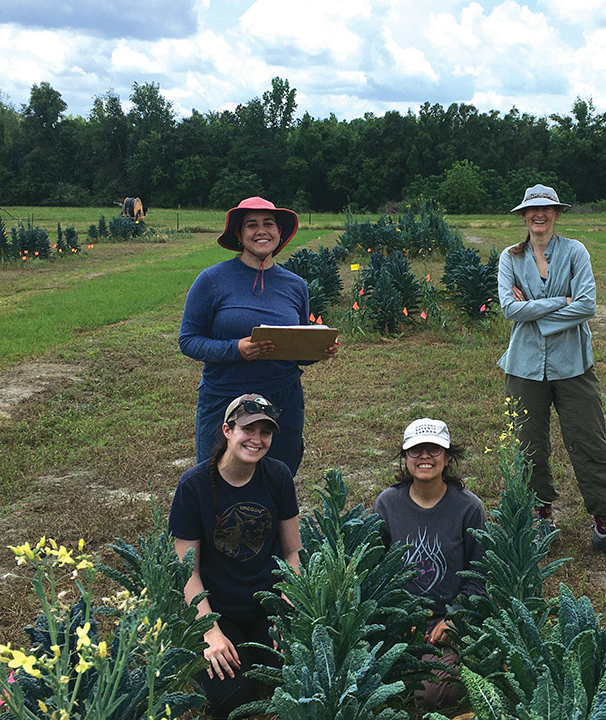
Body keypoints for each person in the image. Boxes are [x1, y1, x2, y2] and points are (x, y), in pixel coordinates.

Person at [497, 183, 606, 558]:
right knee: (528, 445)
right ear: (523, 215)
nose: (539, 215)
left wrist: (537, 308)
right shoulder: (510, 257)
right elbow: (508, 308)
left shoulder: (575, 251)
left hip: (573, 365)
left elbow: (587, 306)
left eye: (546, 209)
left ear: (557, 214)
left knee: (589, 442)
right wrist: (559, 301)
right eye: (532, 210)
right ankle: (541, 520)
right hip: (524, 367)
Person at [179, 196, 339, 472]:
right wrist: (236, 349)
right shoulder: (212, 280)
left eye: (269, 224)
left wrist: (318, 351)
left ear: (279, 233)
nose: (261, 231)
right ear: (240, 235)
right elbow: (189, 340)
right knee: (217, 478)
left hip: (282, 399)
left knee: (277, 478)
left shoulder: (295, 285)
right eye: (251, 225)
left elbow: (295, 349)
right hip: (225, 398)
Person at [169, 393, 302, 719]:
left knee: (295, 675)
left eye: (265, 432)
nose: (256, 439)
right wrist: (211, 632)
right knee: (231, 698)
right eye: (248, 429)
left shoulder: (278, 476)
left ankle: (254, 649)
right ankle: (209, 648)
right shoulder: (193, 486)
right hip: (217, 610)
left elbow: (293, 552)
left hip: (266, 605)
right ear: (227, 430)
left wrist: (288, 609)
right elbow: (188, 572)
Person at [373, 418, 485, 711]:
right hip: (401, 623)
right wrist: (397, 620)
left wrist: (456, 618)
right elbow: (374, 573)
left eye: (434, 450)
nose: (425, 456)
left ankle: (461, 666)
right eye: (416, 450)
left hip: (444, 624)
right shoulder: (387, 504)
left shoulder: (468, 507)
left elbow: (480, 576)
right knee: (370, 683)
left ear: (447, 458)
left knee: (432, 696)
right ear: (405, 458)